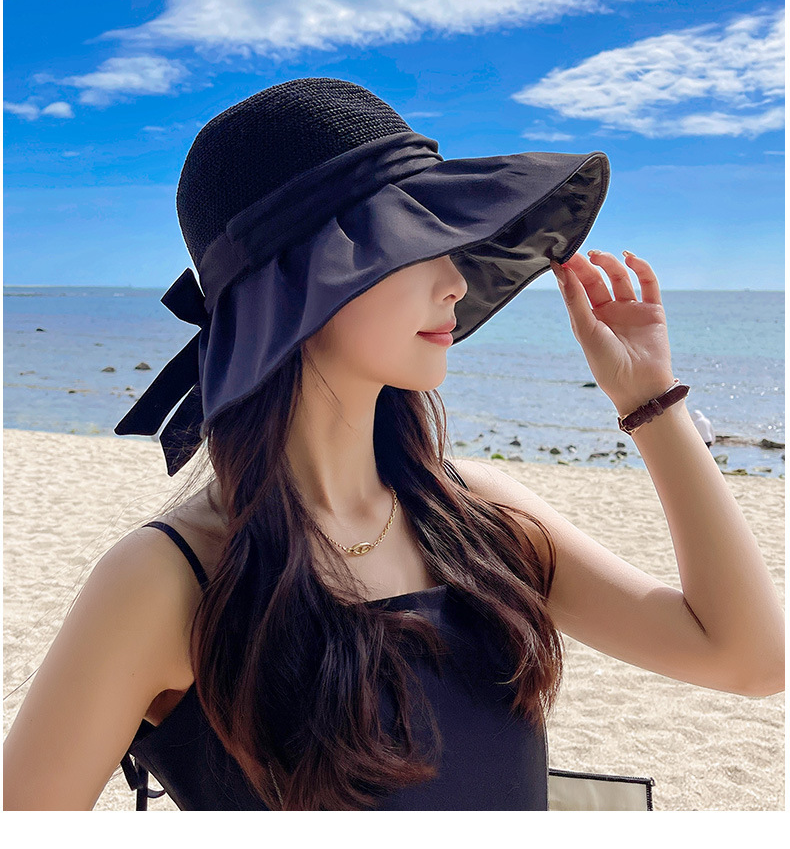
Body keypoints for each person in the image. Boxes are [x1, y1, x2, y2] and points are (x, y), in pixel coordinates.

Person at [3, 78, 784, 811]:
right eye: (415, 245)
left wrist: (652, 403)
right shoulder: (167, 579)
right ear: (302, 281)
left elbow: (749, 659)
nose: (455, 281)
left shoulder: (478, 516)